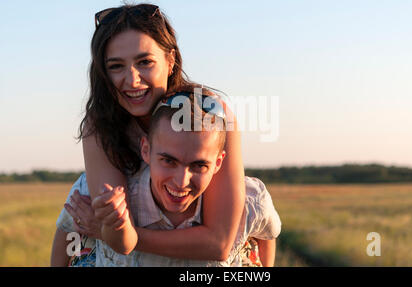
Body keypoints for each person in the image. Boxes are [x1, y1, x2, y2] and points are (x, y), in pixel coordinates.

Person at [50, 3, 245, 266]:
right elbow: (116, 234)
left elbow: (219, 243)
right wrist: (112, 230)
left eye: (145, 62)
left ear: (171, 59)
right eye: (116, 66)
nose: (132, 80)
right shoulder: (100, 127)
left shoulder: (213, 116)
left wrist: (120, 234)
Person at [54, 88, 281, 266]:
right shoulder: (105, 192)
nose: (181, 181)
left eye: (199, 165)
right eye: (168, 161)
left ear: (218, 163)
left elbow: (266, 234)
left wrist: (116, 235)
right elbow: (67, 230)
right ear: (146, 150)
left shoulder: (250, 201)